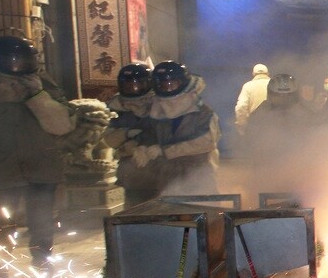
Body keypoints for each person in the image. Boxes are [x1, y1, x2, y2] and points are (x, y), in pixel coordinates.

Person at [0, 35, 75, 267]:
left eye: (22, 58)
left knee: (43, 231)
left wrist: (36, 97)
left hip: (41, 169)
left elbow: (62, 125)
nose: (17, 64)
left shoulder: (42, 84)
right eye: (11, 59)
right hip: (0, 172)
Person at [131, 61, 220, 198]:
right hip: (165, 177)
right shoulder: (157, 110)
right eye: (163, 85)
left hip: (197, 176)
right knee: (169, 216)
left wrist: (165, 150)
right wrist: (142, 146)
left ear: (183, 83)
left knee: (203, 214)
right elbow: (148, 132)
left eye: (172, 84)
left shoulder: (203, 113)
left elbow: (205, 141)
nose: (167, 88)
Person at [104, 62, 157, 206]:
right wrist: (129, 140)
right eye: (128, 85)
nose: (132, 89)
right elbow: (110, 138)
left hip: (160, 169)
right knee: (134, 211)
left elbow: (165, 133)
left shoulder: (160, 103)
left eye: (136, 84)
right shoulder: (116, 106)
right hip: (131, 172)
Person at [234, 63, 269, 134]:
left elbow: (241, 107)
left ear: (253, 74)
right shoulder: (274, 85)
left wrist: (241, 123)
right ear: (268, 73)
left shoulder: (248, 86)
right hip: (275, 125)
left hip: (255, 127)